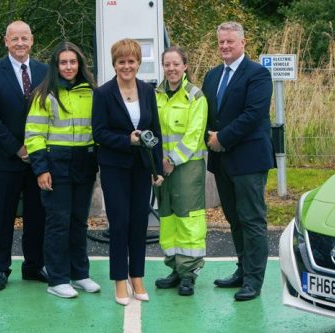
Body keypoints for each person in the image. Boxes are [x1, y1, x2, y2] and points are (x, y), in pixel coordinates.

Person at [202, 22, 274, 301]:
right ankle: (242, 270)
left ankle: (254, 280)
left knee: (252, 219)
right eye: (221, 42)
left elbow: (253, 114)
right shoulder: (212, 75)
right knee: (234, 219)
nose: (225, 46)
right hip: (222, 162)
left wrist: (222, 138)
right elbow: (207, 115)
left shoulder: (258, 74)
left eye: (230, 41)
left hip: (248, 159)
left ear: (243, 42)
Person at [24, 42, 101, 299]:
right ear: (56, 66)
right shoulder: (44, 95)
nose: (69, 67)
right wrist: (41, 169)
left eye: (73, 62)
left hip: (84, 163)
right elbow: (34, 135)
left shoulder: (91, 93)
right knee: (58, 222)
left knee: (79, 221)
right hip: (55, 164)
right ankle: (57, 279)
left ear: (80, 64)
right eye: (63, 62)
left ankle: (80, 274)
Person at [92, 38, 164, 306]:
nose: (127, 66)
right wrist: (127, 140)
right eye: (121, 61)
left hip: (141, 168)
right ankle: (119, 280)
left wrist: (157, 168)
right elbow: (99, 133)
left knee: (139, 224)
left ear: (138, 63)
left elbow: (155, 131)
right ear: (114, 64)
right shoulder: (102, 93)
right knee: (119, 224)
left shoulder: (147, 91)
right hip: (114, 168)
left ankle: (137, 277)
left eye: (131, 61)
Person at [0, 20, 48, 291]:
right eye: (14, 39)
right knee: (2, 217)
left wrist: (37, 149)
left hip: (38, 159)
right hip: (4, 159)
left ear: (32, 41)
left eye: (25, 38)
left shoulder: (45, 71)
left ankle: (33, 266)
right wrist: (18, 148)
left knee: (37, 215)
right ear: (6, 42)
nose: (20, 43)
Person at [154, 46, 208, 296]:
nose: (172, 69)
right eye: (167, 64)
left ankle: (189, 274)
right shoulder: (156, 94)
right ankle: (175, 268)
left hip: (186, 167)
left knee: (188, 219)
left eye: (176, 64)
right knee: (168, 218)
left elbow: (194, 135)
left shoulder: (195, 96)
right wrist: (155, 163)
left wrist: (172, 160)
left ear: (185, 66)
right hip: (162, 168)